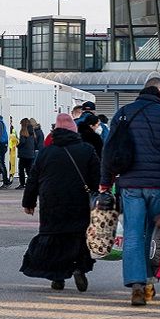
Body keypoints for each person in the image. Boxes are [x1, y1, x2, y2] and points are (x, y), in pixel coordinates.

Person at [99, 76, 160, 307]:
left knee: (132, 234)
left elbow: (109, 151)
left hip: (130, 185)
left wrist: (105, 182)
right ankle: (149, 281)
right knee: (152, 234)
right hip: (158, 186)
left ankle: (136, 284)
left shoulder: (123, 113)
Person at [20, 114, 100, 292]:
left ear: (55, 131)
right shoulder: (86, 150)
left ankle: (57, 277)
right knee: (78, 236)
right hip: (79, 201)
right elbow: (96, 178)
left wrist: (29, 202)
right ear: (74, 130)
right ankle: (79, 267)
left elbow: (33, 179)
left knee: (55, 237)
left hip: (51, 202)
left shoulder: (46, 152)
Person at [16, 119, 38, 189]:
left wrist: (18, 146)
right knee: (29, 170)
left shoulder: (23, 132)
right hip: (31, 154)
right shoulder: (32, 132)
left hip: (24, 154)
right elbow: (35, 143)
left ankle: (22, 184)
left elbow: (22, 142)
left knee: (21, 169)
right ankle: (32, 184)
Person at [0, 114, 11, 186]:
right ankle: (4, 179)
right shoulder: (2, 122)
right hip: (4, 144)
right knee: (1, 162)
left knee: (0, 162)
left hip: (1, 144)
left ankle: (5, 181)